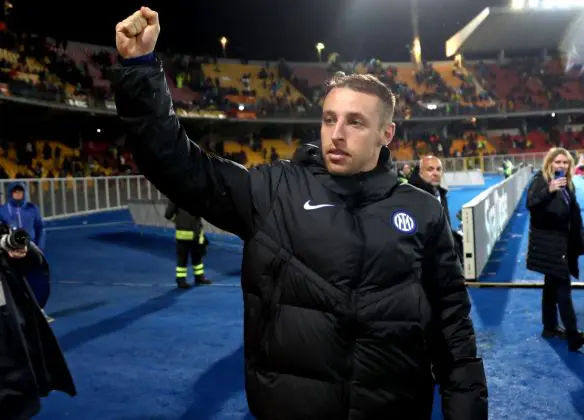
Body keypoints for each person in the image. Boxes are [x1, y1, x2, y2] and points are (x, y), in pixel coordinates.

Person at [112, 7, 488, 419]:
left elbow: (454, 333)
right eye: (329, 119)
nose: (337, 133)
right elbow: (179, 167)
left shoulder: (421, 209)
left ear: (387, 133)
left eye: (355, 122)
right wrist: (139, 68)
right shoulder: (274, 190)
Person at [0, 222, 76, 419]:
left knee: (15, 386)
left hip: (8, 320)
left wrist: (23, 251)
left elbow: (36, 261)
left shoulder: (2, 228)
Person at [526, 147, 584, 352]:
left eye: (565, 163)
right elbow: (531, 204)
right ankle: (572, 335)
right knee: (563, 289)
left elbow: (573, 214)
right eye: (558, 162)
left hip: (562, 243)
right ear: (549, 163)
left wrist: (579, 241)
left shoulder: (568, 184)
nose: (561, 166)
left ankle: (549, 327)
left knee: (551, 285)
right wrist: (549, 189)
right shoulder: (541, 180)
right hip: (549, 244)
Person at [0, 182, 50, 318]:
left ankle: (39, 309)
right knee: (13, 282)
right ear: (10, 193)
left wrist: (39, 247)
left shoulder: (32, 208)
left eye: (20, 192)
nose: (18, 194)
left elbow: (40, 228)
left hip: (31, 251)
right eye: (15, 192)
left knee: (37, 281)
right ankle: (17, 312)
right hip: (12, 253)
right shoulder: (2, 210)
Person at [164, 199, 211, 289]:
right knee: (197, 257)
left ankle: (181, 280)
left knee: (182, 259)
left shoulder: (175, 197)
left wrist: (177, 221)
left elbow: (168, 215)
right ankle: (199, 277)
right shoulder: (195, 196)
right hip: (196, 233)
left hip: (183, 234)